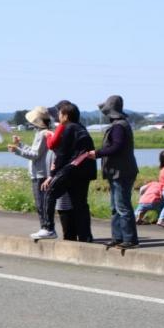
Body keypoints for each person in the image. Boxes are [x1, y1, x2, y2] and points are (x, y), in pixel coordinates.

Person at [44, 100, 96, 242]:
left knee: (49, 194)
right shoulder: (81, 128)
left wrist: (53, 175)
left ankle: (48, 228)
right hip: (85, 171)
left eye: (60, 114)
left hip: (72, 171)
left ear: (65, 115)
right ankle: (85, 236)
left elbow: (63, 154)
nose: (58, 117)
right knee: (80, 204)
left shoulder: (69, 128)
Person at [92, 95, 139, 249]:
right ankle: (118, 237)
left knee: (122, 207)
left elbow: (116, 147)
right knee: (115, 207)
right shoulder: (120, 124)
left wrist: (97, 153)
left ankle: (129, 240)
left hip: (121, 171)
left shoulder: (118, 126)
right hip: (118, 171)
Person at [9, 106, 56, 239]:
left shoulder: (42, 134)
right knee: (41, 203)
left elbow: (35, 154)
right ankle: (45, 228)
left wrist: (17, 150)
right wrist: (20, 144)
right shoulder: (43, 133)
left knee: (41, 203)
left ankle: (47, 228)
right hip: (40, 172)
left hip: (40, 173)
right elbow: (36, 151)